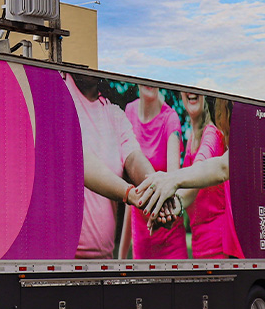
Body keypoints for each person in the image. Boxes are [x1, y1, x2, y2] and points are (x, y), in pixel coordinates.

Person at [136, 95, 243, 258]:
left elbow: (201, 168)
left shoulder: (212, 134)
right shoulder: (191, 137)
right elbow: (189, 193)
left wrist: (171, 181)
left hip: (220, 247)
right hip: (199, 246)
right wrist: (171, 208)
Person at [65, 74, 155, 259]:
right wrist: (130, 193)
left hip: (103, 262)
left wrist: (157, 189)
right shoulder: (61, 93)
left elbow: (133, 158)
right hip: (61, 260)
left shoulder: (114, 114)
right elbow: (79, 159)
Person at [120, 86, 186, 259]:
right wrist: (121, 256)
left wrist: (163, 214)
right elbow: (132, 192)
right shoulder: (129, 112)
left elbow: (173, 180)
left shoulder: (170, 119)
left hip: (170, 238)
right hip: (141, 241)